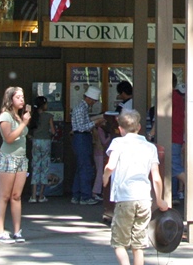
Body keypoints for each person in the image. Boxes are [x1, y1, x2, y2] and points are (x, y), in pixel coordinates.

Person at [102, 109, 168, 265]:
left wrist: (105, 178)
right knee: (138, 244)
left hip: (125, 197)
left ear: (120, 128)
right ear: (139, 127)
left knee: (119, 242)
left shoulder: (117, 143)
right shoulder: (150, 147)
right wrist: (159, 200)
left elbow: (110, 166)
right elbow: (156, 178)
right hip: (144, 198)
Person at [0, 87, 30, 243]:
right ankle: (0, 231)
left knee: (16, 196)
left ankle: (17, 231)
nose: (22, 99)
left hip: (21, 158)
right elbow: (8, 138)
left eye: (22, 96)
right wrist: (24, 123)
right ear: (10, 99)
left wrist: (23, 120)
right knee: (4, 195)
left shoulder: (17, 116)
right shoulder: (5, 116)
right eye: (18, 97)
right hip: (8, 157)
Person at [71, 85, 103, 205]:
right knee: (85, 168)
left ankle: (76, 194)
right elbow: (80, 127)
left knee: (81, 167)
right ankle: (85, 196)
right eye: (94, 101)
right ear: (89, 99)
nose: (94, 103)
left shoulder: (81, 107)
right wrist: (95, 123)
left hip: (81, 138)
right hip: (81, 137)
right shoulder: (81, 108)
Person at [28, 96, 54, 203]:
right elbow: (53, 131)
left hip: (36, 142)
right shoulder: (49, 116)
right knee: (45, 167)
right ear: (43, 105)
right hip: (46, 142)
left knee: (36, 166)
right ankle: (41, 195)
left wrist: (31, 137)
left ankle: (33, 196)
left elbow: (28, 130)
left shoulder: (32, 116)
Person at [94, 112, 120, 200]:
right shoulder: (100, 130)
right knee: (100, 172)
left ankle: (98, 191)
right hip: (100, 153)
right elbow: (104, 142)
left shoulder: (99, 129)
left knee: (100, 171)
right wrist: (110, 136)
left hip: (99, 153)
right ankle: (96, 192)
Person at [171, 75, 186, 201]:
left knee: (174, 166)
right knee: (172, 167)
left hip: (172, 136)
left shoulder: (170, 98)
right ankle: (173, 195)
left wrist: (152, 132)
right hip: (177, 136)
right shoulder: (178, 98)